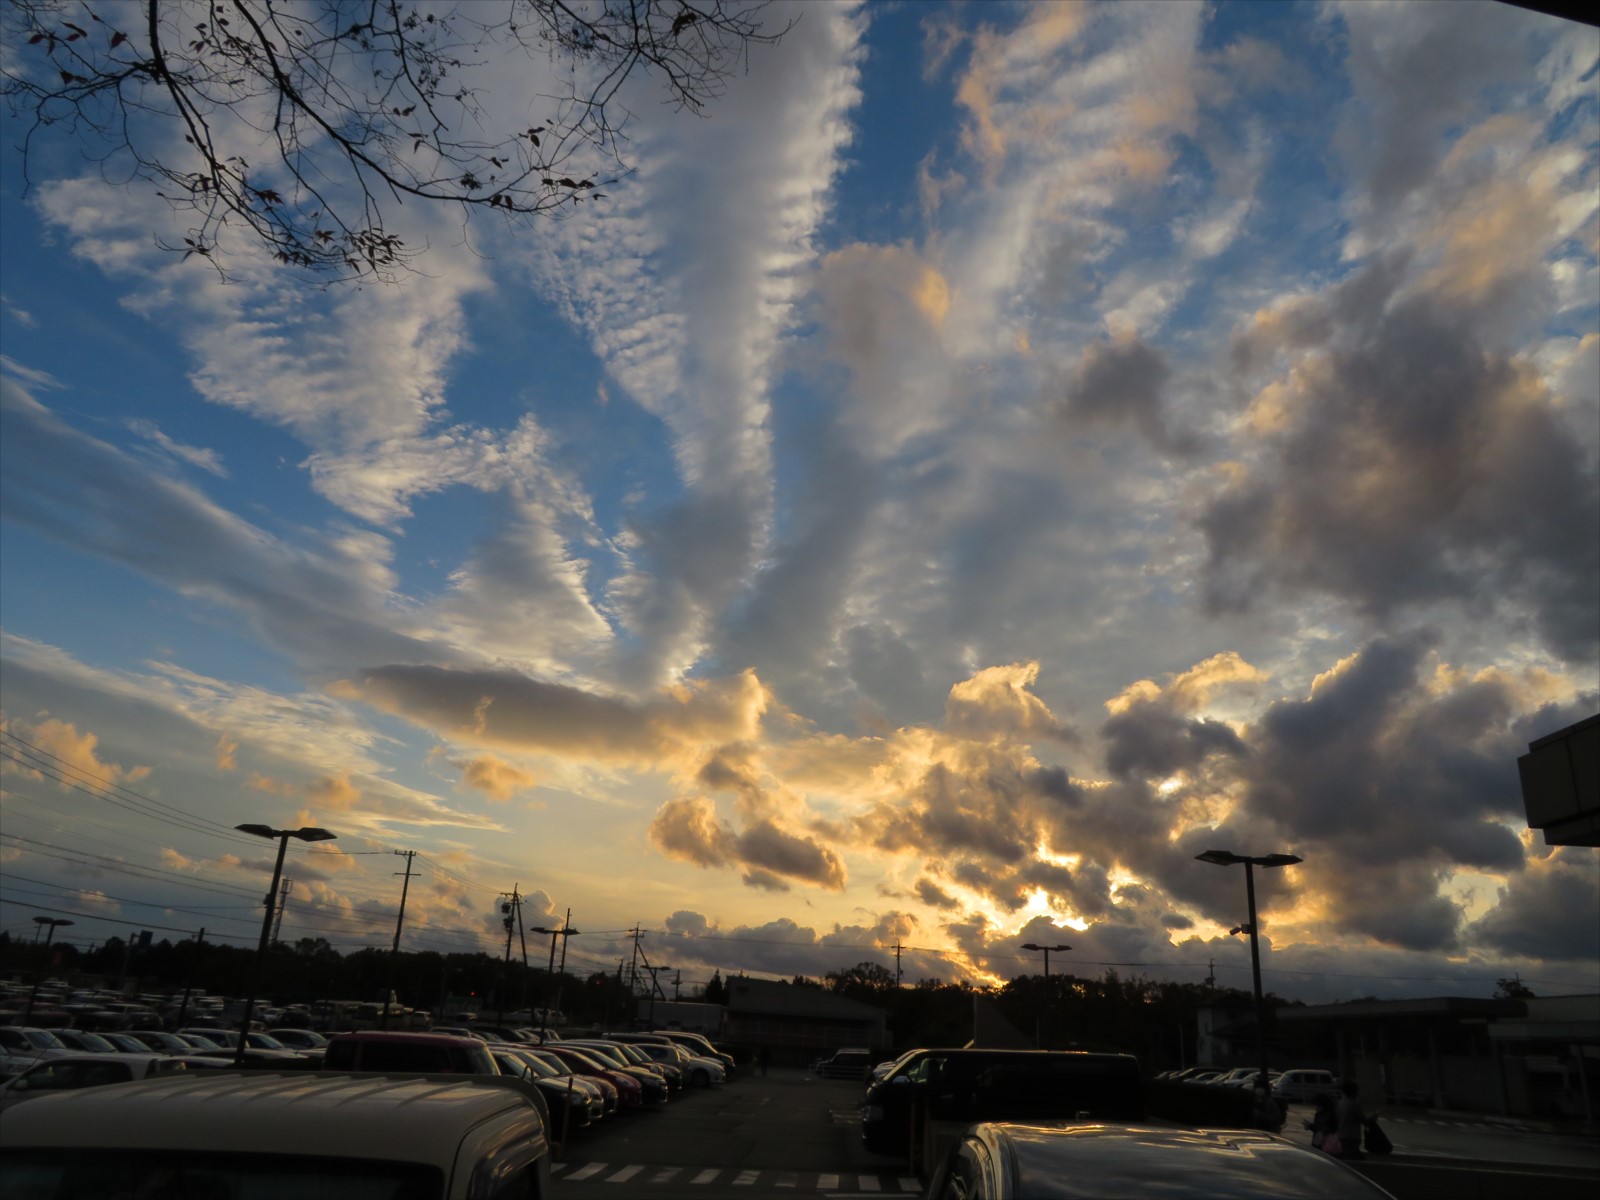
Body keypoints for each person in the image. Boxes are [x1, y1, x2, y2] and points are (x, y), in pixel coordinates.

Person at [1334, 1078, 1365, 1157]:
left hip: (1341, 1135)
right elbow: (1364, 1121)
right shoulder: (1354, 1104)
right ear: (1354, 1091)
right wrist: (1374, 1116)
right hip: (1352, 1137)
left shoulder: (1340, 1103)